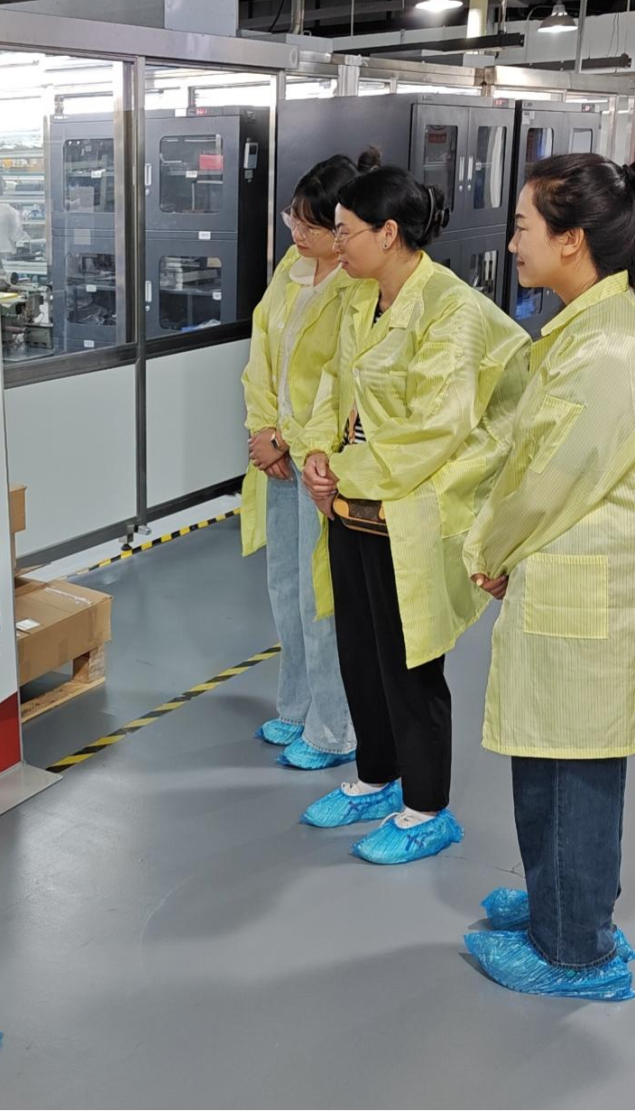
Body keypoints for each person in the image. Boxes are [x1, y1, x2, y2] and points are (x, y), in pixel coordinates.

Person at [297, 165, 530, 865]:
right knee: (359, 649)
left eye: (346, 231)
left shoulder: (450, 311)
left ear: (389, 233)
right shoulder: (360, 297)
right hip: (352, 506)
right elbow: (333, 385)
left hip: (412, 509)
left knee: (410, 663)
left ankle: (426, 808)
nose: (336, 244)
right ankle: (376, 776)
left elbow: (435, 429)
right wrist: (317, 451)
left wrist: (342, 471)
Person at [462, 153, 635, 1001]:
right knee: (551, 760)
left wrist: (487, 550)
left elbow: (546, 482)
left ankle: (577, 951)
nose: (512, 243)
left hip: (580, 579)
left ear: (572, 240)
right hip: (561, 569)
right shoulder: (585, 329)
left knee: (572, 769)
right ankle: (560, 904)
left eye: (524, 226)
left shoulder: (604, 349)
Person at [241, 151, 378, 770]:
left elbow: (342, 382)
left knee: (321, 595)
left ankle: (334, 728)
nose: (296, 232)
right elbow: (261, 354)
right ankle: (295, 707)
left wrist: (294, 442)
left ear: (341, 227)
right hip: (277, 454)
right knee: (285, 586)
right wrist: (262, 428)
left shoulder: (358, 287)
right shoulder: (290, 270)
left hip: (321, 461)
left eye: (311, 224)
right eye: (292, 219)